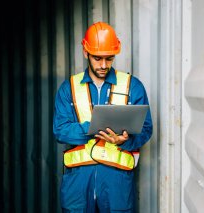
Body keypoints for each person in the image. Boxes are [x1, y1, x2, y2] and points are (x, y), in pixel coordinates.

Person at [53, 22, 153, 213]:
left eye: (109, 59)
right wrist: (93, 128)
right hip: (78, 184)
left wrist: (125, 140)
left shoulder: (133, 86)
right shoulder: (69, 88)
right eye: (98, 58)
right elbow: (60, 130)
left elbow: (146, 129)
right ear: (85, 52)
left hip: (117, 185)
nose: (103, 65)